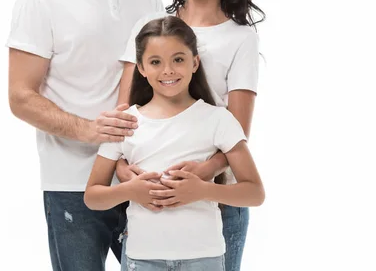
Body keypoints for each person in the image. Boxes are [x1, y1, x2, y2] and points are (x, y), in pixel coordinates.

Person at [6, 0, 164, 270]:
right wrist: (90, 130)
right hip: (71, 183)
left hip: (139, 176)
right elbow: (20, 96)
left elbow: (161, 80)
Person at [115, 0, 266, 271]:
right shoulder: (149, 26)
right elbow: (123, 114)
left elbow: (238, 131)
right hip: (151, 202)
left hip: (218, 203)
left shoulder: (240, 38)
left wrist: (203, 176)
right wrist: (123, 170)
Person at [84, 16, 265, 271]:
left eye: (178, 59)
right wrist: (129, 191)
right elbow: (93, 196)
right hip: (142, 259)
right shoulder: (126, 124)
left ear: (195, 62)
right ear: (142, 68)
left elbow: (255, 193)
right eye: (156, 62)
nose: (168, 70)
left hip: (204, 259)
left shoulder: (217, 120)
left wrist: (201, 190)